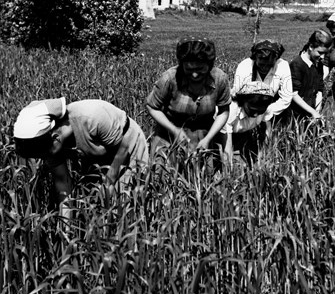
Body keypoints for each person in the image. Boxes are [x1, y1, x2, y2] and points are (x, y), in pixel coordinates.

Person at [13, 98, 148, 216]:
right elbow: (63, 186)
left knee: (122, 204)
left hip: (127, 146)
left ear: (55, 138)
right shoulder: (47, 146)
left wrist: (108, 185)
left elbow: (123, 150)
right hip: (95, 157)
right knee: (94, 205)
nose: (46, 158)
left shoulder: (93, 117)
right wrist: (65, 230)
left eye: (44, 155)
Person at [146, 36, 231, 165]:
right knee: (162, 174)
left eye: (200, 69)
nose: (195, 74)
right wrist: (175, 130)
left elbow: (224, 111)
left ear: (209, 65)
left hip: (203, 132)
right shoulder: (170, 78)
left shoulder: (219, 79)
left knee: (202, 175)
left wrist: (208, 138)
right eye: (189, 69)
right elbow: (152, 106)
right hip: (169, 130)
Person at [232, 39, 293, 125]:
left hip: (273, 110)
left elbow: (286, 97)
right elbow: (237, 95)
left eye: (269, 65)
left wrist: (266, 112)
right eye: (261, 64)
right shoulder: (244, 67)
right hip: (248, 111)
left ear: (276, 59)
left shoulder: (283, 66)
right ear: (255, 57)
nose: (265, 68)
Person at [224, 81, 274, 163]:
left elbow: (267, 132)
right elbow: (227, 143)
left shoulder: (268, 109)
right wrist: (229, 167)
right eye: (252, 109)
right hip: (221, 134)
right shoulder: (232, 109)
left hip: (242, 134)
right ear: (243, 101)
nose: (255, 114)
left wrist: (264, 153)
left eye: (260, 111)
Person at [288, 30, 333, 120]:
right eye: (320, 52)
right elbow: (293, 94)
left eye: (325, 53)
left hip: (311, 112)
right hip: (296, 115)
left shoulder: (318, 63)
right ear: (311, 47)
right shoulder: (297, 64)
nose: (323, 57)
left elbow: (319, 89)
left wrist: (317, 110)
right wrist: (312, 111)